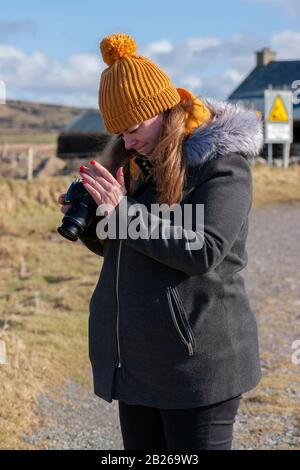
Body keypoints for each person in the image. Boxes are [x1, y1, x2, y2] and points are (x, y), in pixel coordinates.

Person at [58, 32, 263, 450]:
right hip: (138, 366)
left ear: (162, 111)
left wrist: (124, 212)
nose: (127, 142)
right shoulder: (138, 166)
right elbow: (127, 247)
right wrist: (98, 220)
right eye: (119, 133)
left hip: (197, 370)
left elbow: (203, 249)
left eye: (133, 129)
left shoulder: (221, 165)